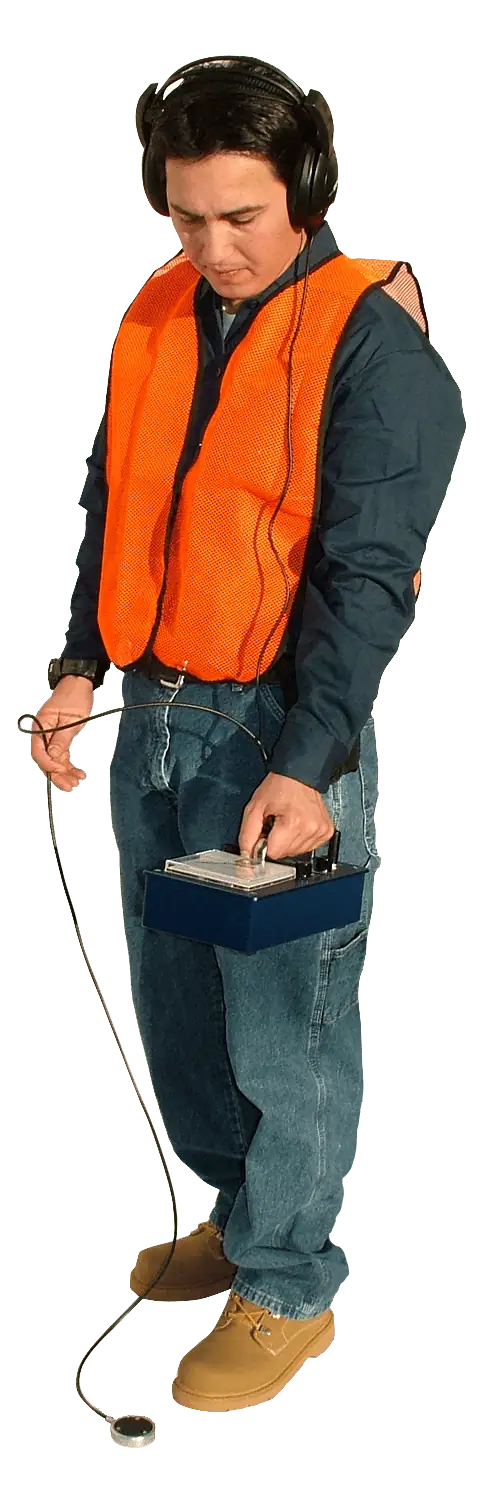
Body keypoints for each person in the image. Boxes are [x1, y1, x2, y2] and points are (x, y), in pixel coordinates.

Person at [30, 57, 465, 1412]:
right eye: (186, 218)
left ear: (308, 193)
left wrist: (310, 761)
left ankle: (291, 1286)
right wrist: (80, 669)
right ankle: (241, 1216)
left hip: (275, 731)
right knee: (181, 1005)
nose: (212, 249)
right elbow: (118, 506)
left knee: (287, 1026)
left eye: (242, 219)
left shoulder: (372, 343)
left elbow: (368, 573)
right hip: (154, 718)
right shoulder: (158, 315)